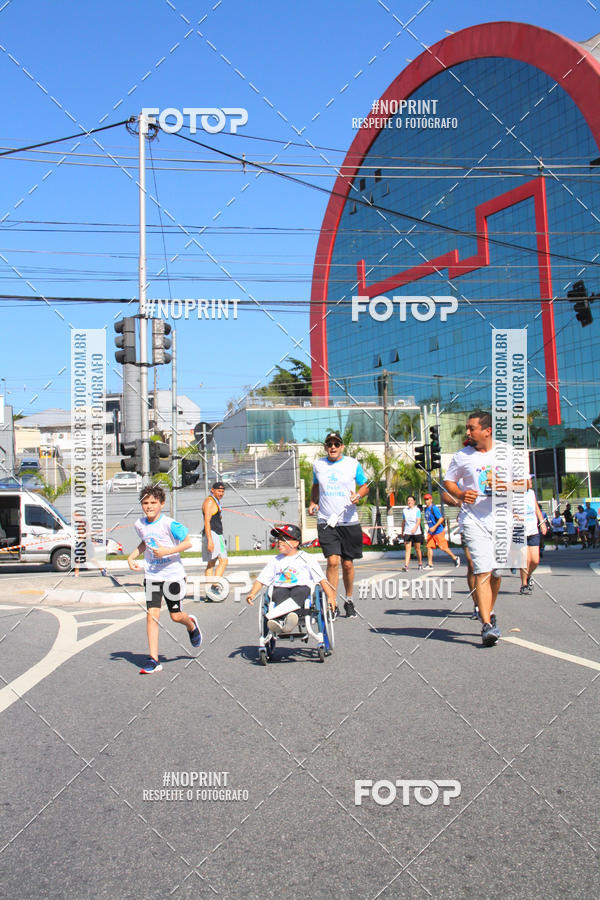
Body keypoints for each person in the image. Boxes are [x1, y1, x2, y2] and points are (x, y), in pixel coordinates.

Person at [444, 409, 527, 647]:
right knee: (482, 569)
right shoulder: (462, 456)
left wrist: (507, 485)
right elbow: (448, 481)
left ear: (487, 431)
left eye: (472, 428)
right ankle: (487, 624)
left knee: (497, 573)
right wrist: (460, 493)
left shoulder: (508, 453)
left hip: (502, 520)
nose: (467, 432)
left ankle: (489, 610)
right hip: (474, 520)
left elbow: (526, 483)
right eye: (467, 428)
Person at [128, 485, 201, 674]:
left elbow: (187, 542)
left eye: (153, 502)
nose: (149, 506)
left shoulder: (170, 524)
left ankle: (191, 625)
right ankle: (153, 659)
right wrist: (132, 556)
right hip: (152, 576)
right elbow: (146, 542)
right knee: (152, 615)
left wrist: (167, 551)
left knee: (176, 616)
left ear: (161, 503)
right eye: (145, 503)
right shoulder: (140, 524)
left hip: (173, 575)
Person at [308, 431, 369, 618]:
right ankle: (331, 603)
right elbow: (316, 485)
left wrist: (358, 495)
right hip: (326, 520)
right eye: (329, 444)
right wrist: (313, 502)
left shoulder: (352, 464)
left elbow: (365, 485)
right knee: (332, 561)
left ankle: (349, 600)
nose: (333, 447)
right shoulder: (318, 465)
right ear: (325, 447)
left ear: (342, 446)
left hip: (348, 521)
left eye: (336, 444)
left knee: (348, 564)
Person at [246, 523, 336, 634]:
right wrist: (253, 593)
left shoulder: (307, 558)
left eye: (284, 539)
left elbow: (321, 579)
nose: (280, 541)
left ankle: (281, 617)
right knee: (277, 593)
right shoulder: (275, 561)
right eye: (278, 539)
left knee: (301, 591)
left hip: (301, 588)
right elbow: (261, 579)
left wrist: (331, 597)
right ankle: (285, 619)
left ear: (296, 542)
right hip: (281, 587)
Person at [519, 481, 547, 594]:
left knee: (535, 560)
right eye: (529, 480)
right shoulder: (514, 494)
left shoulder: (531, 492)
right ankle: (524, 584)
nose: (531, 482)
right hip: (520, 530)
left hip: (533, 530)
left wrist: (542, 522)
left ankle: (528, 575)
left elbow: (536, 508)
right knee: (525, 560)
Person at [202, 481, 228, 600]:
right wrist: (210, 540)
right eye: (219, 491)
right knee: (223, 561)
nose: (221, 493)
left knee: (211, 563)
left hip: (216, 533)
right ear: (212, 490)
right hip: (213, 534)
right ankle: (214, 586)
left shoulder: (216, 501)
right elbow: (207, 521)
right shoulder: (209, 501)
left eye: (222, 491)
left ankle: (210, 591)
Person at [422, 493, 460, 569]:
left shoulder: (434, 508)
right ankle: (430, 564)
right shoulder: (426, 509)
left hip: (438, 531)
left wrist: (434, 527)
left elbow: (441, 518)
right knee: (429, 547)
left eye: (428, 499)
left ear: (431, 500)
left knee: (443, 547)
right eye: (425, 499)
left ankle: (455, 558)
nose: (426, 501)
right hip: (431, 532)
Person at [401, 495, 423, 571]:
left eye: (411, 500)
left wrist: (415, 528)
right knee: (408, 550)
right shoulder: (405, 510)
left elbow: (418, 521)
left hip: (416, 532)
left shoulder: (417, 510)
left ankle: (420, 563)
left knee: (417, 549)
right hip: (407, 532)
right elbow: (403, 521)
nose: (409, 502)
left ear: (414, 501)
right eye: (408, 500)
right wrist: (402, 531)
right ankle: (406, 566)